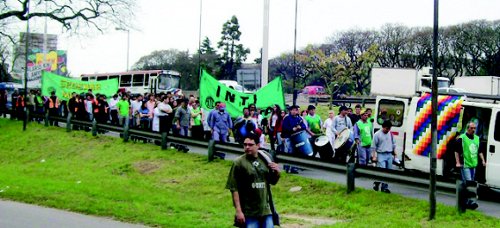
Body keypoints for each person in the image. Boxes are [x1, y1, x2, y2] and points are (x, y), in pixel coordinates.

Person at [226, 132, 281, 228]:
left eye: (251, 145)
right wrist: (238, 211)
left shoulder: (265, 159)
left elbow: (272, 182)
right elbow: (234, 188)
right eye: (245, 145)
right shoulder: (239, 163)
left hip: (265, 210)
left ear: (258, 145)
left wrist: (277, 172)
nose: (247, 147)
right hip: (249, 212)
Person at [455, 122, 486, 209]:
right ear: (468, 128)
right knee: (468, 182)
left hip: (473, 164)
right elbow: (456, 151)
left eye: (474, 128)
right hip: (465, 164)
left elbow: (479, 151)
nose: (473, 130)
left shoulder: (477, 138)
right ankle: (468, 202)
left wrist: (483, 161)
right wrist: (457, 162)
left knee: (469, 182)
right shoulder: (462, 138)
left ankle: (465, 201)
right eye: (471, 128)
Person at [371, 120, 396, 193]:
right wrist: (374, 156)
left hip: (389, 154)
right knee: (382, 170)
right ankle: (377, 182)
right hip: (381, 154)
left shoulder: (390, 134)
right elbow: (374, 146)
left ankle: (384, 187)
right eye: (387, 128)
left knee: (388, 171)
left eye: (389, 129)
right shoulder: (377, 134)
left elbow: (393, 144)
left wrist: (395, 154)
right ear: (383, 127)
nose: (388, 130)